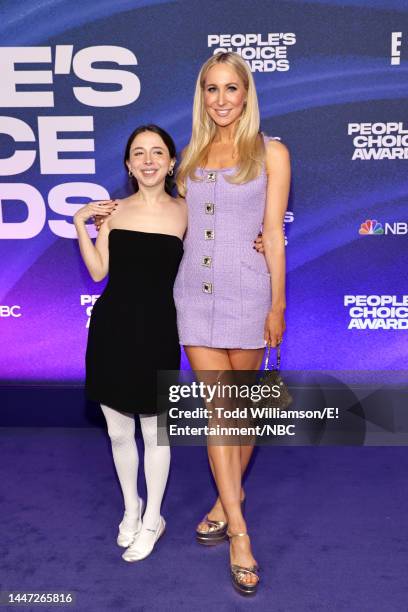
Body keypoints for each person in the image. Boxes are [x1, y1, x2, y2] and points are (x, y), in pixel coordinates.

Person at [174, 51, 291, 595]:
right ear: (202, 96)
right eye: (211, 90)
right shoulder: (189, 156)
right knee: (219, 410)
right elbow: (171, 220)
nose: (221, 100)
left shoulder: (271, 153)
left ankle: (226, 499)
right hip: (193, 298)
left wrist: (278, 306)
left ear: (247, 94)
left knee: (241, 414)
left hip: (249, 293)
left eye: (230, 89)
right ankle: (240, 534)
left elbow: (273, 232)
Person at [74, 125, 187, 562]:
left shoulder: (186, 211)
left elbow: (219, 249)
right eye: (139, 153)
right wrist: (80, 223)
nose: (148, 160)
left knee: (156, 433)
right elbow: (99, 271)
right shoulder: (113, 211)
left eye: (157, 152)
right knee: (120, 432)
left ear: (172, 162)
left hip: (159, 329)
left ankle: (154, 517)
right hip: (112, 329)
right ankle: (131, 508)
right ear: (128, 164)